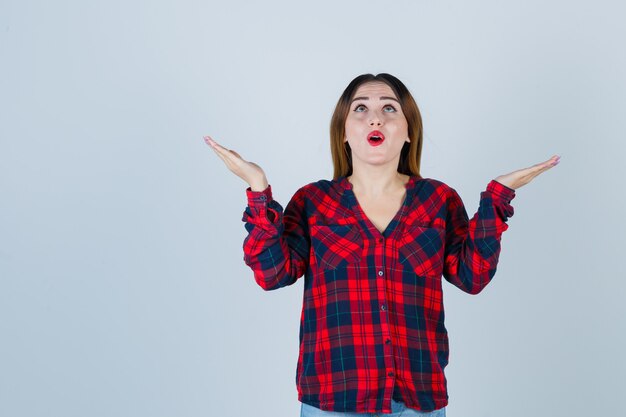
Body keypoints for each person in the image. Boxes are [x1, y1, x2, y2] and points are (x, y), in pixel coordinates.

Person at [205, 73, 560, 416]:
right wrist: (257, 186)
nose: (375, 118)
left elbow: (473, 277)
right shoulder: (314, 201)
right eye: (360, 109)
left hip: (417, 403)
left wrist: (497, 196)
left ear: (408, 132)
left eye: (389, 109)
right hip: (332, 402)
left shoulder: (438, 199)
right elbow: (272, 274)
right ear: (343, 132)